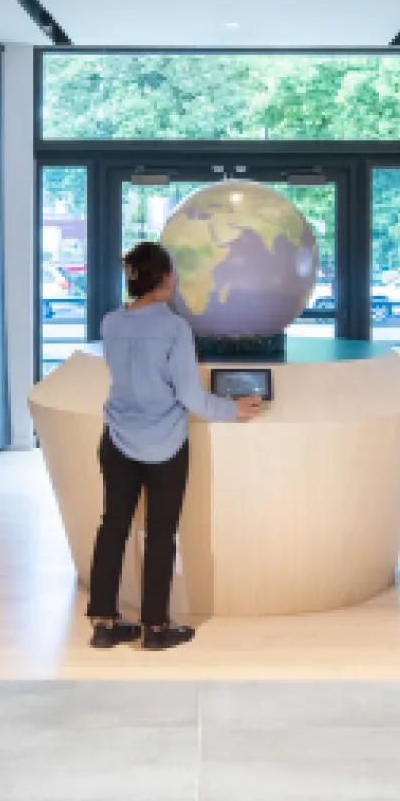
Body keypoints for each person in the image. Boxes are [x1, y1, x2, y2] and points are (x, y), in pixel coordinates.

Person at [87, 242, 263, 651]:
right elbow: (191, 397)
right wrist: (233, 408)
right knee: (161, 534)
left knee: (112, 526)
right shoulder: (174, 328)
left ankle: (103, 622)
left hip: (116, 438)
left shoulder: (111, 322)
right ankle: (155, 629)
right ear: (166, 278)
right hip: (164, 444)